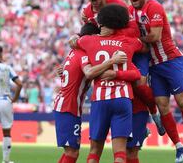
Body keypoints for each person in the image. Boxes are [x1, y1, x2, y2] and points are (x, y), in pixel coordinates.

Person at [77, 0, 165, 136]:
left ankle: (154, 114)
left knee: (139, 82)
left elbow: (134, 31)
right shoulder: (87, 11)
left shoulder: (118, 6)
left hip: (130, 49)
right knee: (107, 83)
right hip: (108, 52)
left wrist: (111, 33)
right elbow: (90, 33)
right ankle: (136, 125)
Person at [127, 0, 183, 162]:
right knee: (162, 105)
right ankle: (179, 146)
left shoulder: (154, 7)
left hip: (171, 60)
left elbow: (155, 36)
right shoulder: (130, 12)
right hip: (154, 66)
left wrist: (134, 39)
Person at [75, 4, 145, 163]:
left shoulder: (88, 41)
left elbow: (74, 42)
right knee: (120, 153)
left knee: (94, 151)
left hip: (100, 99)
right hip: (123, 99)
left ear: (101, 22)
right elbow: (144, 46)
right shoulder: (129, 42)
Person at [53, 23, 128, 163]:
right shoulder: (83, 53)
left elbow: (71, 72)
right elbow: (88, 72)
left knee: (71, 151)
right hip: (68, 106)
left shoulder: (73, 51)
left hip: (67, 104)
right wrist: (112, 61)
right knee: (72, 152)